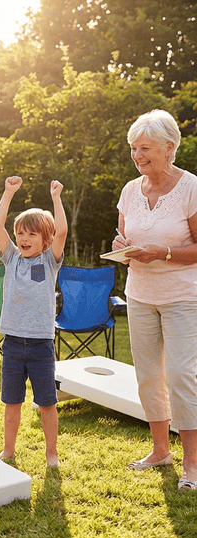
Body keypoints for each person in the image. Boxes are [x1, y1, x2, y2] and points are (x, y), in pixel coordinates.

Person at [112, 109, 197, 491]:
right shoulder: (130, 190)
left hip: (183, 296)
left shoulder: (191, 188)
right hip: (140, 295)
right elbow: (122, 237)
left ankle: (193, 465)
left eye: (144, 148)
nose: (137, 155)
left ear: (169, 147)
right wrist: (121, 247)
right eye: (133, 148)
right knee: (148, 376)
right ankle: (160, 450)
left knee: (181, 375)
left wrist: (162, 252)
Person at [0, 176, 67, 467]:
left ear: (45, 241)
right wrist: (8, 192)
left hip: (40, 345)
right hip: (12, 343)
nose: (24, 238)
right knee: (12, 402)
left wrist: (56, 198)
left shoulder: (50, 261)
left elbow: (61, 230)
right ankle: (8, 450)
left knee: (47, 402)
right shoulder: (11, 258)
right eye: (21, 233)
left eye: (31, 234)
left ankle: (51, 453)